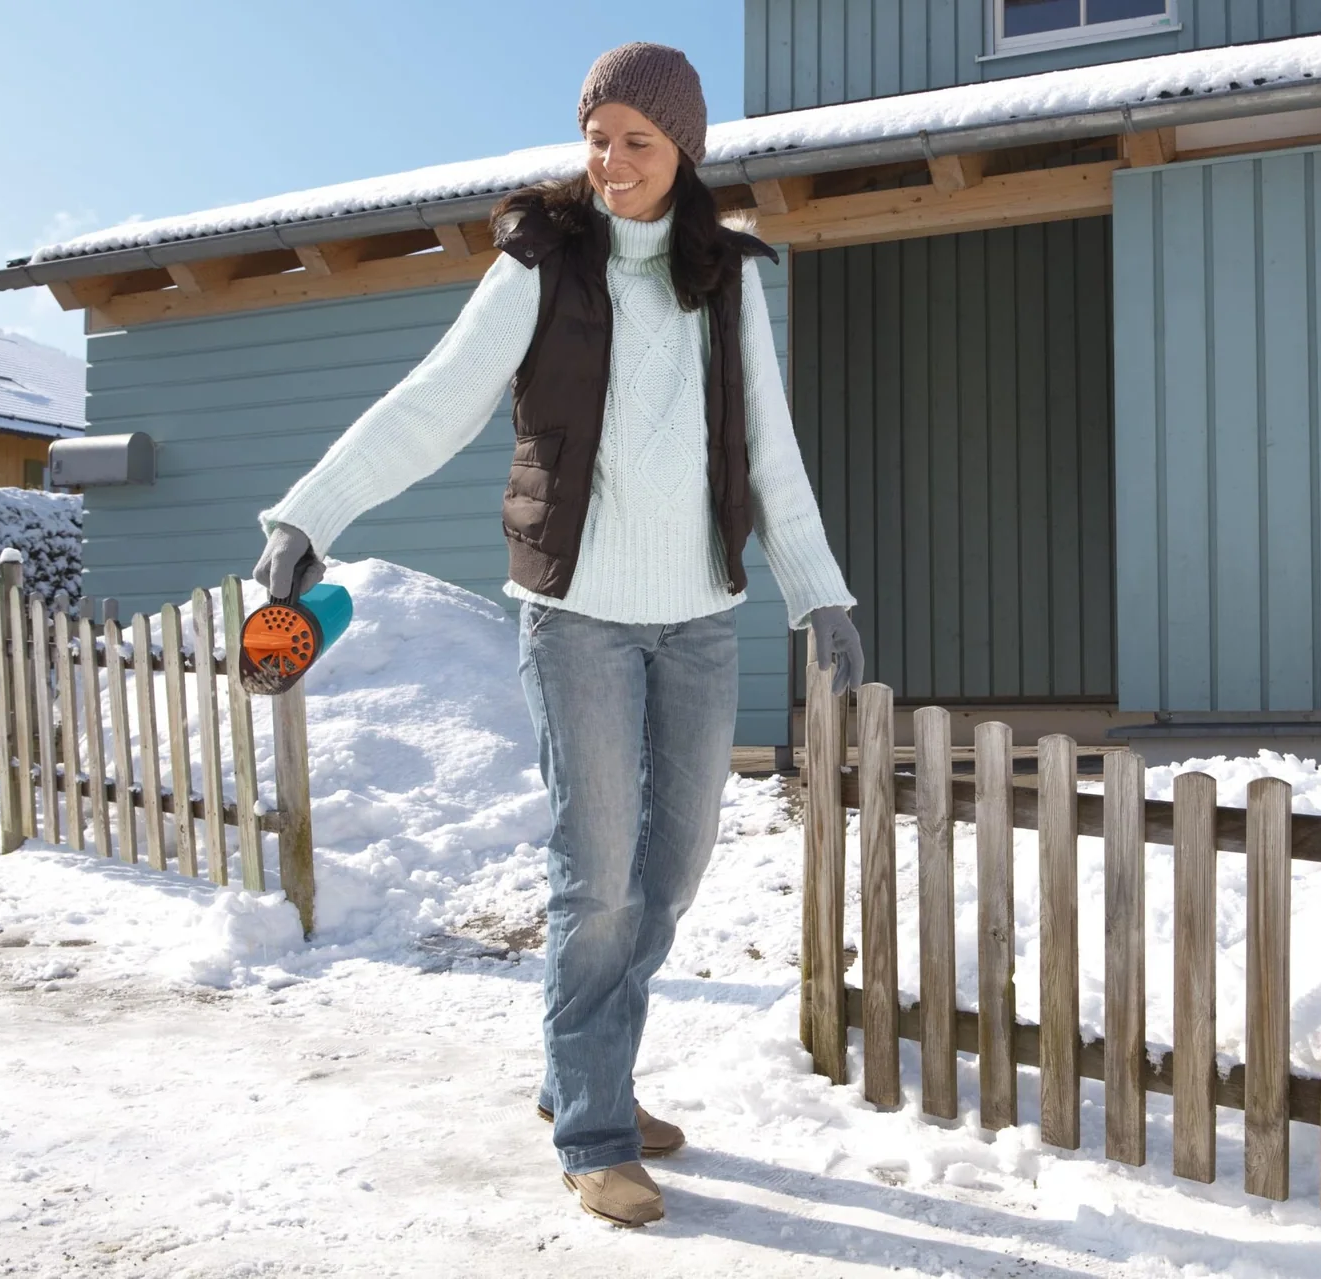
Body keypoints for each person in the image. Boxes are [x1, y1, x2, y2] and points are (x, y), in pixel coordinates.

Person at [251, 41, 863, 1228]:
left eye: (639, 140)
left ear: (685, 148)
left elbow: (769, 454)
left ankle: (581, 1063)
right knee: (598, 876)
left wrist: (815, 589)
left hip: (698, 618)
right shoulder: (545, 261)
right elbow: (436, 400)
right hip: (576, 614)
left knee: (674, 865)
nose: (613, 160)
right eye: (599, 136)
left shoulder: (723, 280)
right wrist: (307, 512)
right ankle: (593, 1122)